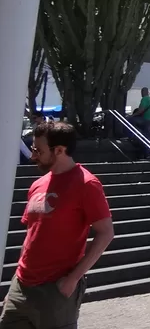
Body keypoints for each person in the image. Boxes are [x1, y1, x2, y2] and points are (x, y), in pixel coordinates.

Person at [1, 122, 114, 329]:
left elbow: (106, 233)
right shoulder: (38, 184)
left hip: (55, 290)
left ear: (60, 150)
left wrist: (72, 280)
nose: (33, 155)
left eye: (38, 150)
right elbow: (31, 235)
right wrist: (15, 280)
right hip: (21, 286)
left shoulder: (87, 184)